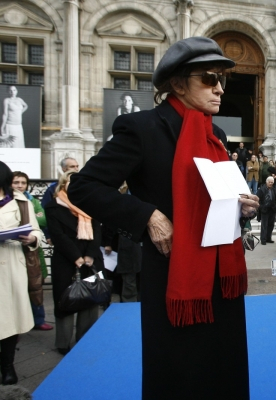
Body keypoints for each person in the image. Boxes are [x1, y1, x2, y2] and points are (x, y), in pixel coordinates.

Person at [67, 37, 259, 399]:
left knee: (224, 367)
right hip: (173, 274)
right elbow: (84, 187)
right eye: (208, 78)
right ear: (177, 83)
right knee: (178, 371)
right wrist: (148, 215)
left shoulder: (215, 134)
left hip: (222, 275)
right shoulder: (140, 128)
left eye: (223, 80)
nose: (219, 88)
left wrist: (242, 206)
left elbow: (211, 196)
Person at [45, 171, 104, 355]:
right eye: (73, 181)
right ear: (63, 185)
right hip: (66, 259)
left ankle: (85, 339)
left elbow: (97, 232)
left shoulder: (89, 204)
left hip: (89, 259)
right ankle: (63, 343)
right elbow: (58, 235)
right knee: (65, 301)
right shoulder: (53, 207)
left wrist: (90, 255)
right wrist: (76, 256)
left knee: (90, 299)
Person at [0, 161, 41, 385]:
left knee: (9, 319)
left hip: (11, 266)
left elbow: (35, 230)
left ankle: (7, 366)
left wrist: (33, 238)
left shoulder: (20, 201)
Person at [11, 171, 53, 331]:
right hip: (13, 249)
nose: (20, 186)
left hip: (32, 250)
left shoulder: (32, 200)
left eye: (23, 182)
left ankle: (38, 319)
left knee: (36, 283)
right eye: (16, 182)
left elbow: (42, 219)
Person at [257, 176, 276, 245]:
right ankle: (263, 239)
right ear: (266, 182)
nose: (271, 183)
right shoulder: (261, 189)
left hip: (272, 209)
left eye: (272, 182)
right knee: (264, 225)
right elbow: (257, 199)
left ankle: (268, 238)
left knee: (271, 225)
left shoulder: (274, 189)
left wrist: (275, 206)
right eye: (269, 182)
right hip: (264, 209)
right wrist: (261, 207)